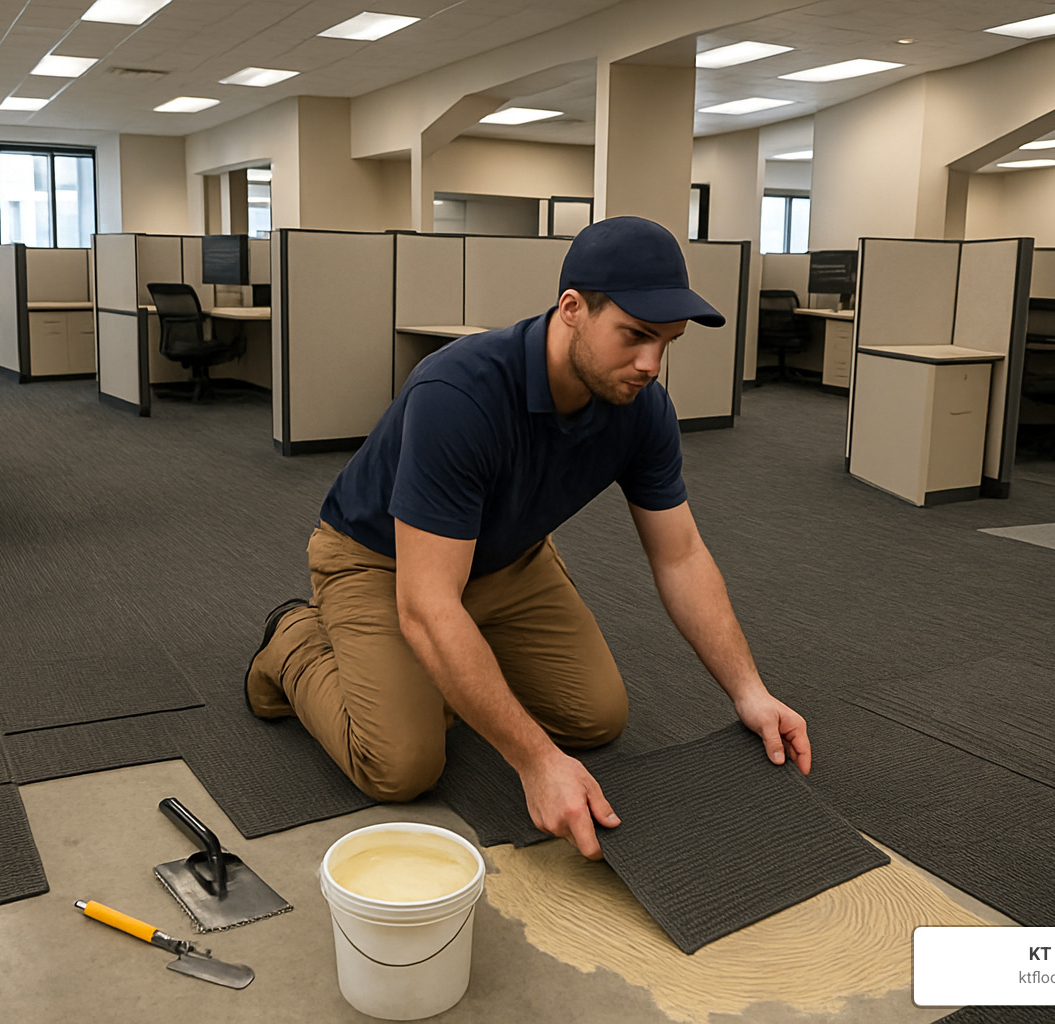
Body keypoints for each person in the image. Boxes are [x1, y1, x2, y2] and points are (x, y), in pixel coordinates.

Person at [246, 215, 810, 860]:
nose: (650, 365)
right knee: (401, 768)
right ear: (572, 308)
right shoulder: (459, 393)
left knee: (595, 720)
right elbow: (428, 602)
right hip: (382, 562)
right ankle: (294, 640)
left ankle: (442, 671)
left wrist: (750, 691)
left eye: (667, 342)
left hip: (508, 559)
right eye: (634, 336)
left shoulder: (641, 407)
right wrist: (535, 761)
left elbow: (680, 555)